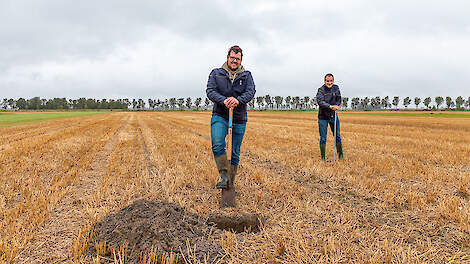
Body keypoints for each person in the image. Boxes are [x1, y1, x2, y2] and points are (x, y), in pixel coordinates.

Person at [206, 45, 256, 189]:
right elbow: (210, 91)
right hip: (220, 114)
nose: (234, 61)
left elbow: (251, 91)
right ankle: (224, 175)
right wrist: (224, 100)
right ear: (227, 57)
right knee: (217, 143)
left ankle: (230, 185)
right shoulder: (216, 73)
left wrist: (238, 100)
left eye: (237, 59)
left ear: (241, 60)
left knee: (234, 152)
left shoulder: (247, 75)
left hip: (239, 117)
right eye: (232, 58)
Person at [316, 73, 343, 161]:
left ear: (333, 81)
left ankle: (340, 156)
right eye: (327, 81)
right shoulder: (321, 90)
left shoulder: (336, 88)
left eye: (331, 81)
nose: (329, 83)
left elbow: (339, 99)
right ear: (324, 81)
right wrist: (330, 106)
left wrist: (337, 105)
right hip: (323, 117)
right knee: (323, 138)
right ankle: (323, 158)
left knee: (337, 136)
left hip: (333, 116)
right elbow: (320, 102)